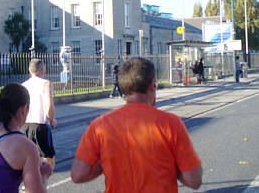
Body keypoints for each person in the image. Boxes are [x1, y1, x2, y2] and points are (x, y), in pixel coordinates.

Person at [71, 57, 202, 192]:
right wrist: (171, 165)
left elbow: (78, 175)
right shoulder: (172, 123)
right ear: (152, 85)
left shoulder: (99, 125)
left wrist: (106, 161)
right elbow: (194, 180)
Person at [22, 59, 57, 168]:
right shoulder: (45, 83)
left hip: (25, 126)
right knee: (49, 162)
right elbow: (49, 106)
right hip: (40, 126)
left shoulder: (23, 85)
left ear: (30, 70)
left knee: (28, 160)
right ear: (42, 70)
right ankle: (41, 183)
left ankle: (30, 184)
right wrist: (51, 119)